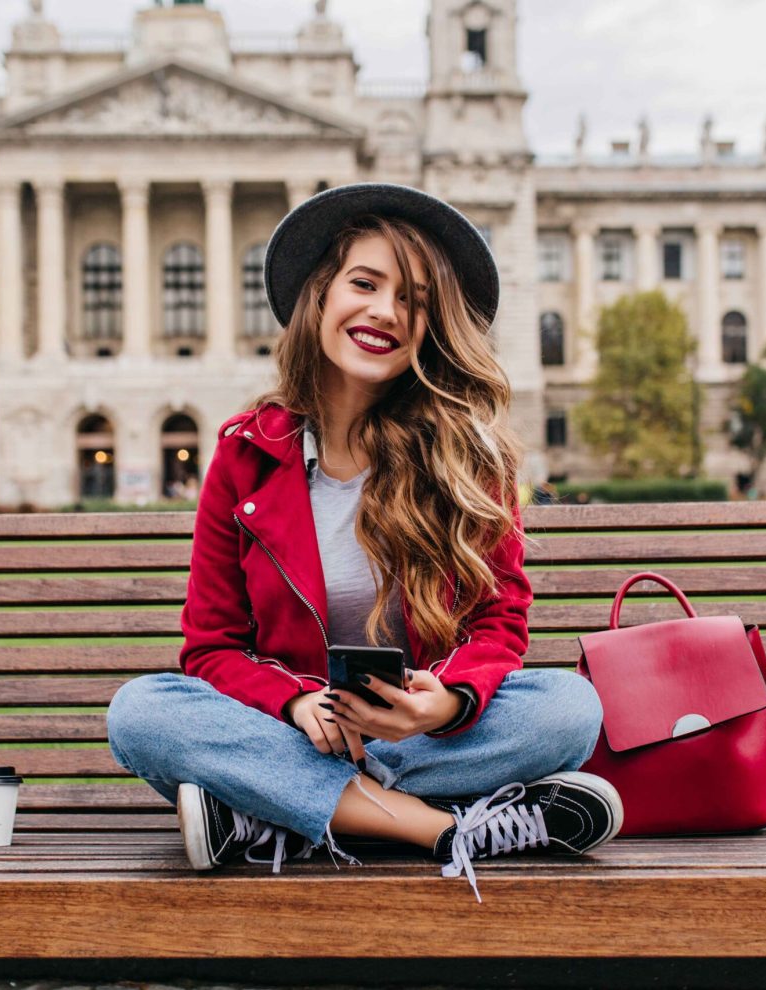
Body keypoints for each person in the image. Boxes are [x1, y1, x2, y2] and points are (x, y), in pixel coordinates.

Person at [106, 183, 621, 901]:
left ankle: (271, 813)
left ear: (432, 326)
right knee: (141, 712)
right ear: (321, 295)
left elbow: (499, 622)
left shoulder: (468, 455)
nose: (385, 311)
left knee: (569, 708)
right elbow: (210, 648)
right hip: (297, 729)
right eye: (365, 283)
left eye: (412, 299)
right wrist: (295, 706)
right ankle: (439, 828)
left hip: (420, 735)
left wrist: (446, 704)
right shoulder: (244, 453)